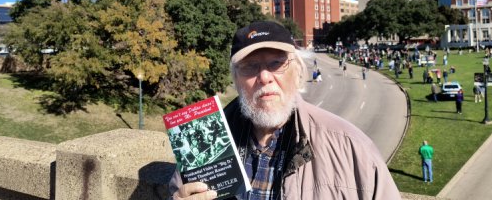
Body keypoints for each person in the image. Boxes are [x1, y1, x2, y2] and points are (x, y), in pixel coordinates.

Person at [169, 21, 400, 199]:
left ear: (297, 71)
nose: (264, 77)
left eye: (276, 63)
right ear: (236, 80)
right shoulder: (202, 142)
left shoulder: (353, 147)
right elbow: (179, 189)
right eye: (250, 67)